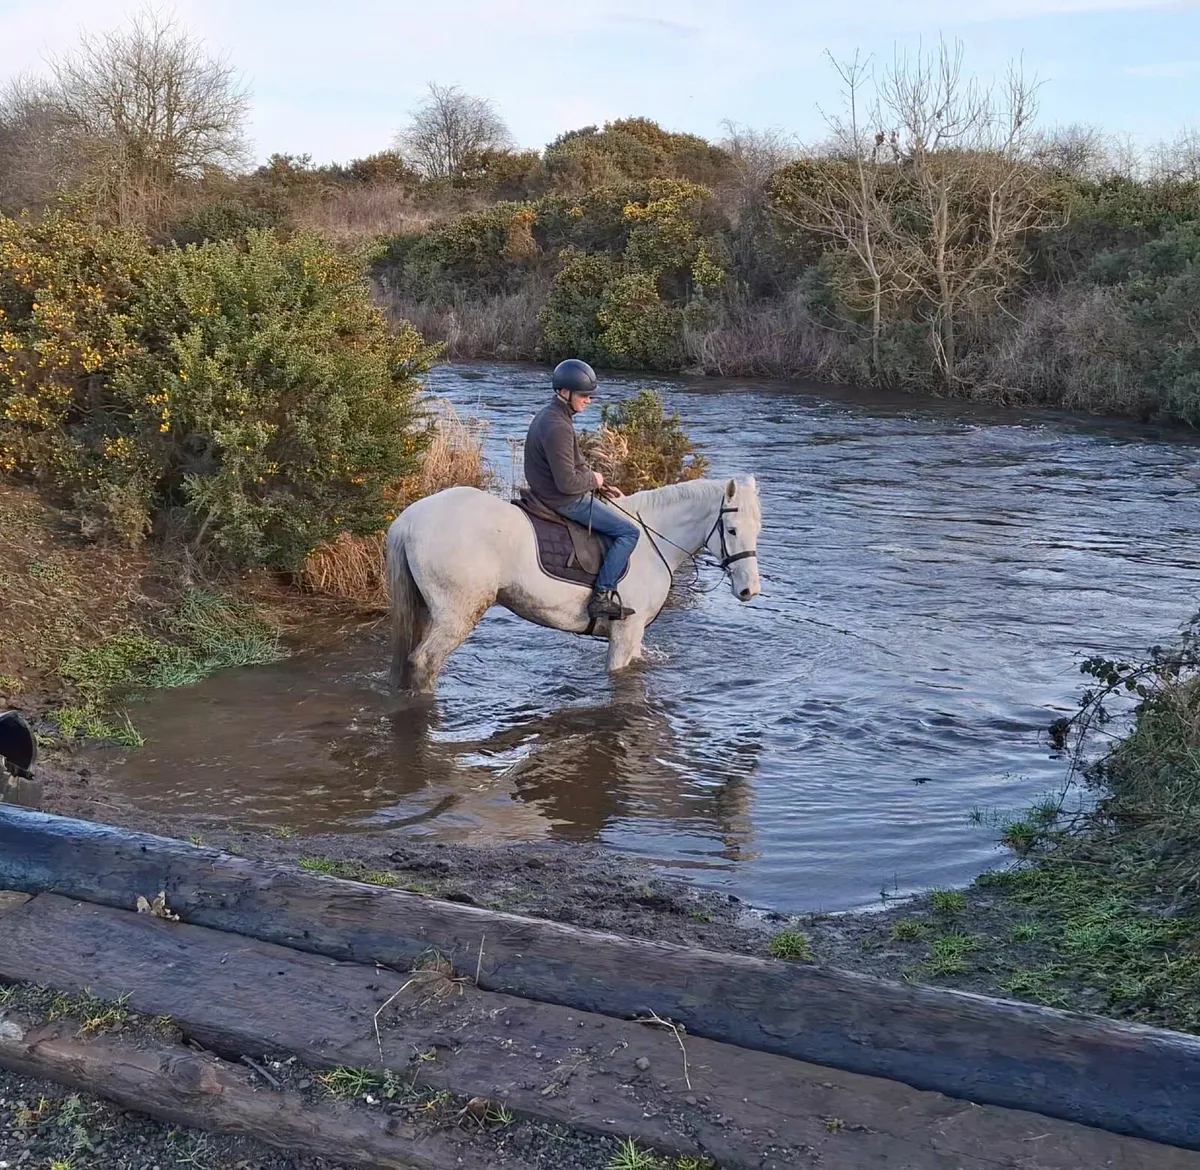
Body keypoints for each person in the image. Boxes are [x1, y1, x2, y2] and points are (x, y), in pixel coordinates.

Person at [524, 358, 640, 621]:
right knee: (629, 533)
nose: (589, 400)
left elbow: (575, 465)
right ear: (565, 392)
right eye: (584, 395)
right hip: (562, 499)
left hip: (548, 492)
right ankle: (602, 595)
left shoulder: (552, 416)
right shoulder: (558, 427)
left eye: (590, 396)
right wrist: (594, 480)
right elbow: (567, 483)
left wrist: (602, 486)